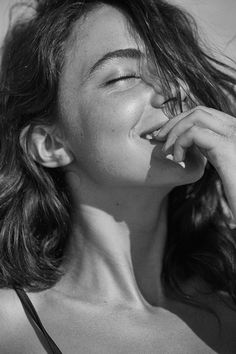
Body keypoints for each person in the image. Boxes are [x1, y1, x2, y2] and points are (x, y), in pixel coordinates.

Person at [0, 0, 236, 352]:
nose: (175, 89)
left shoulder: (230, 310)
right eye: (123, 76)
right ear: (50, 144)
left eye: (177, 69)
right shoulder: (9, 328)